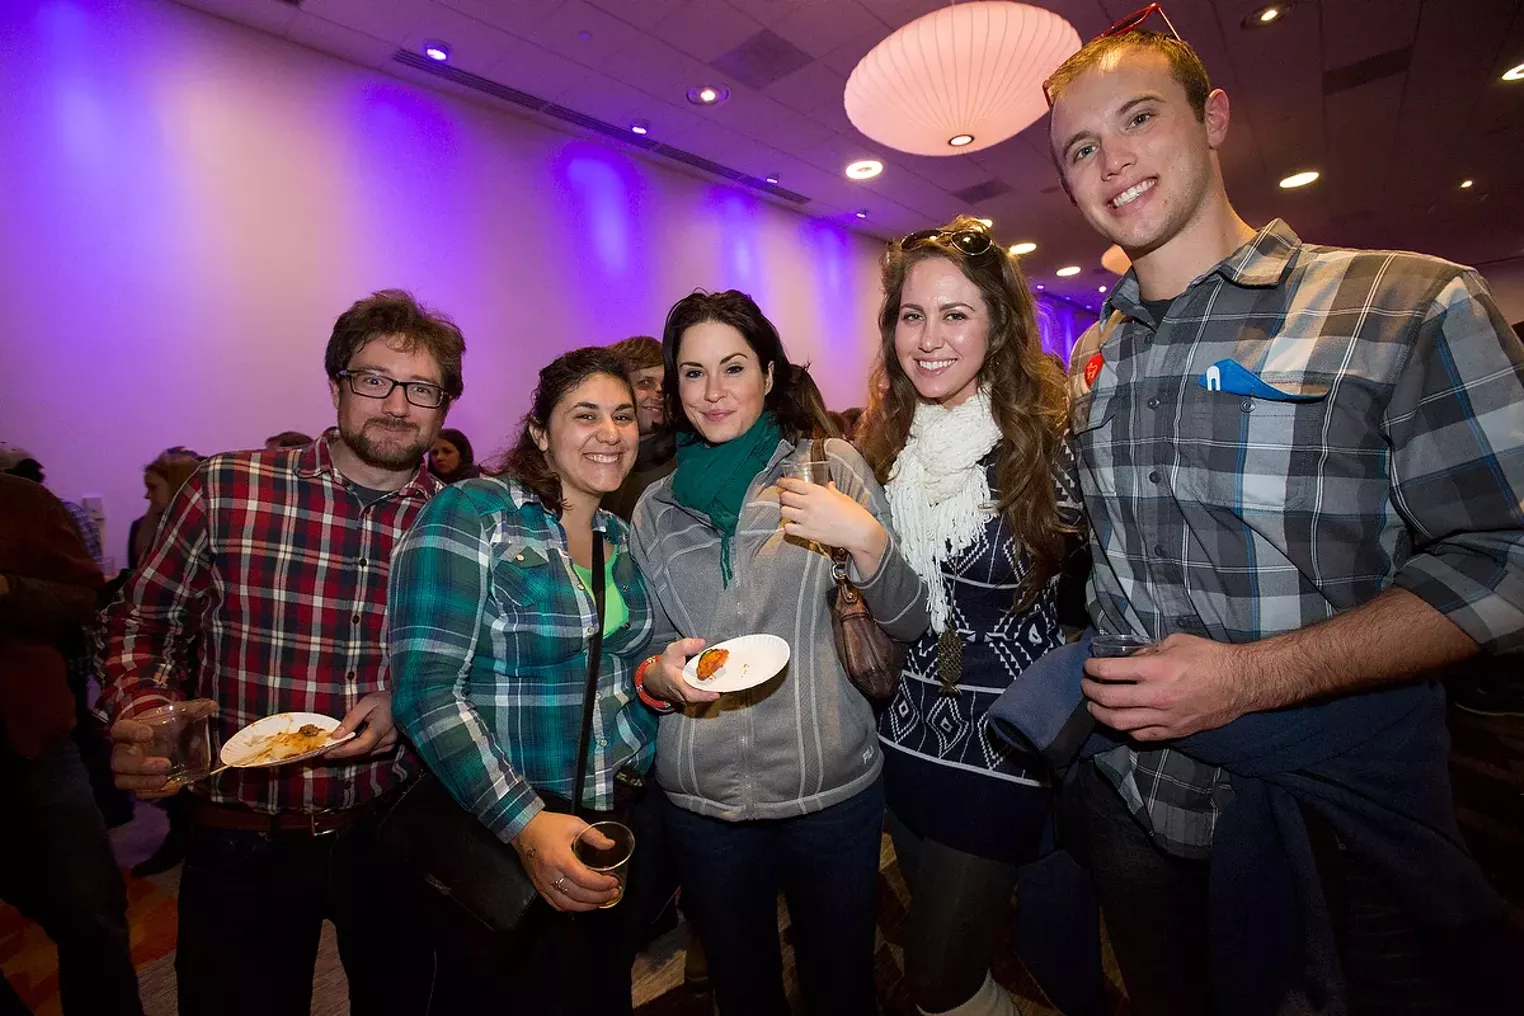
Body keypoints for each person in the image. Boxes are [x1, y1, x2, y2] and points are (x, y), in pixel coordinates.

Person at [1044, 12, 1524, 1014]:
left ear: (1213, 118)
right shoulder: (1095, 357)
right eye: (1081, 148)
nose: (1112, 160)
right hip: (1137, 804)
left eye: (1139, 117)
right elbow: (1088, 533)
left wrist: (1251, 678)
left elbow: (1505, 555)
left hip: (1333, 814)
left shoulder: (1403, 304)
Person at [99, 289, 466, 1016]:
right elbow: (143, 624)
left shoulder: (461, 518)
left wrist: (408, 702)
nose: (397, 405)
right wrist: (148, 714)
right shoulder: (228, 488)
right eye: (375, 380)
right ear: (336, 386)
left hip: (395, 826)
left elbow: (484, 659)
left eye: (421, 388)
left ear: (444, 406)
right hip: (244, 834)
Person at [632, 290, 929, 1016]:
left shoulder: (830, 469)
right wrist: (660, 677)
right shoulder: (654, 508)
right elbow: (650, 646)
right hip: (703, 802)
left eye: (733, 367)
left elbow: (910, 619)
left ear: (768, 374)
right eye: (693, 373)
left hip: (829, 792)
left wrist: (866, 541)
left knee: (841, 986)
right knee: (743, 994)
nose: (714, 391)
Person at [390, 347, 664, 1014]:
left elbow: (618, 672)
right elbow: (425, 691)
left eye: (623, 415)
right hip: (507, 818)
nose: (610, 432)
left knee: (600, 990)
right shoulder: (474, 513)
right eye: (585, 415)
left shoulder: (620, 536)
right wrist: (525, 823)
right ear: (540, 432)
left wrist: (661, 681)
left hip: (615, 815)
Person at [854, 216, 1082, 1016]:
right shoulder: (886, 448)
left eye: (955, 314)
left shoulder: (1048, 444)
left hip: (1001, 747)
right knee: (953, 958)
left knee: (935, 979)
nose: (928, 339)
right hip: (904, 733)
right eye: (911, 315)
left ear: (1000, 323)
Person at [0, 473, 142, 1016]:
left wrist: (7, 589)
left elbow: (83, 599)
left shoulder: (17, 499)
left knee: (92, 913)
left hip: (30, 745)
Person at [602, 335, 675, 520]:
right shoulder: (593, 461)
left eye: (666, 385)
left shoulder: (683, 466)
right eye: (645, 383)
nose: (659, 391)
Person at [127, 450, 202, 572]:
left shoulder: (206, 532)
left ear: (177, 487)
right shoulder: (139, 527)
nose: (146, 496)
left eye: (153, 487)